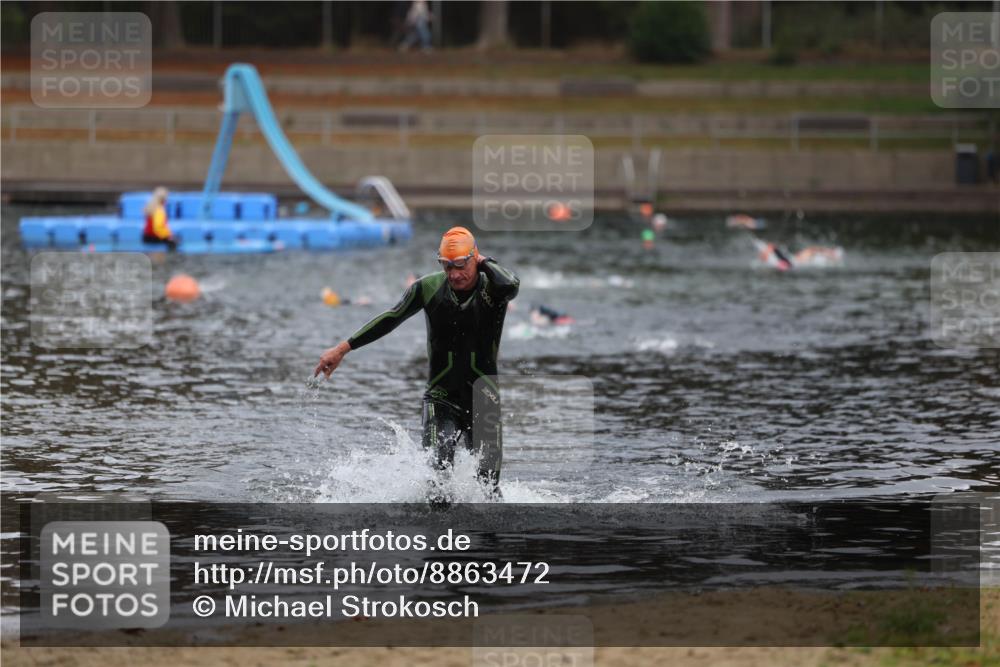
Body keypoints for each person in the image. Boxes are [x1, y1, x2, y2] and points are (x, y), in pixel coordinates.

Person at [314, 227, 519, 502]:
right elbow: (391, 317)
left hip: (485, 399)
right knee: (438, 477)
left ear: (475, 258)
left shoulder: (493, 288)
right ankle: (440, 541)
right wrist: (342, 349)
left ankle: (488, 545)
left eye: (461, 265)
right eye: (447, 266)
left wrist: (485, 262)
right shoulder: (428, 288)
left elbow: (511, 286)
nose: (455, 274)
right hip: (441, 398)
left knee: (489, 489)